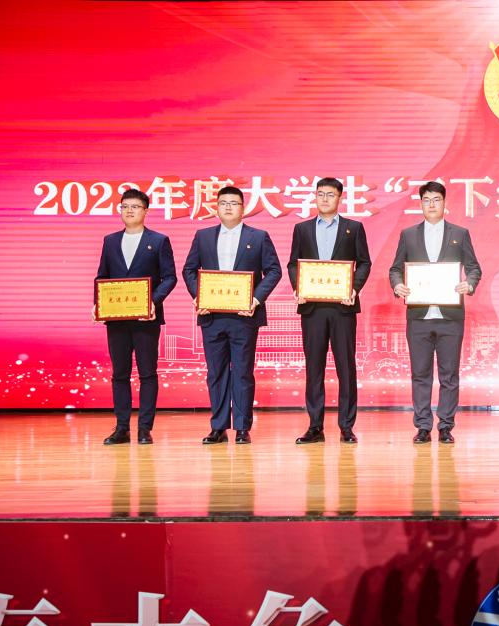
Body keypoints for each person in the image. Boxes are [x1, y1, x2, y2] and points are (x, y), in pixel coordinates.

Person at [182, 186, 281, 445]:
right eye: (223, 202)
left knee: (243, 372)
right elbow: (189, 270)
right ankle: (218, 427)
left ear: (243, 208)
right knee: (215, 373)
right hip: (212, 316)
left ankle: (242, 427)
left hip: (244, 316)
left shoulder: (258, 237)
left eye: (233, 203)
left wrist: (255, 300)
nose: (228, 207)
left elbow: (274, 271)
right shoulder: (203, 236)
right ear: (216, 207)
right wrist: (198, 297)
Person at [389, 181, 482, 444]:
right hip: (418, 316)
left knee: (449, 375)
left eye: (436, 199)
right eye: (426, 200)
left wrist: (469, 284)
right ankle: (422, 426)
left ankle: (445, 426)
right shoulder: (408, 235)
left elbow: (474, 268)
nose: (431, 204)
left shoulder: (460, 233)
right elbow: (395, 269)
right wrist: (398, 285)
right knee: (420, 374)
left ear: (444, 203)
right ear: (421, 204)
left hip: (450, 316)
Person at [287, 177, 371, 445]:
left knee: (346, 367)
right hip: (312, 308)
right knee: (314, 368)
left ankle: (346, 426)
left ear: (340, 198)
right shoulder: (302, 229)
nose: (324, 199)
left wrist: (354, 289)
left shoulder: (353, 228)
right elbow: (293, 264)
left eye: (330, 195)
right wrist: (298, 287)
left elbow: (364, 263)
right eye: (320, 194)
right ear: (315, 196)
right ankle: (315, 427)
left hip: (343, 308)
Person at [94, 189, 177, 445]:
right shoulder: (110, 241)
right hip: (117, 318)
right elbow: (102, 277)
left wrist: (153, 302)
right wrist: (98, 304)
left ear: (145, 211)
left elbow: (169, 278)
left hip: (146, 319)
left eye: (135, 207)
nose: (129, 211)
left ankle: (144, 428)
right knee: (119, 374)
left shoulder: (159, 241)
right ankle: (122, 428)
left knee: (147, 373)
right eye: (125, 206)